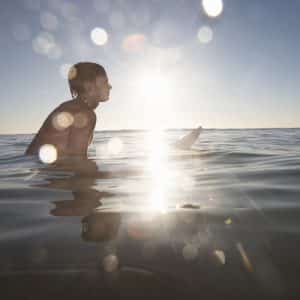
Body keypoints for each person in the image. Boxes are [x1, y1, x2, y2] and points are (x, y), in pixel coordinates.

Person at [25, 62, 112, 158]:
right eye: (105, 82)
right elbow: (77, 162)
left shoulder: (70, 107)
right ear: (89, 87)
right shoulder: (84, 114)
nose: (110, 86)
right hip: (47, 170)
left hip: (37, 167)